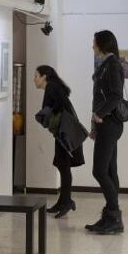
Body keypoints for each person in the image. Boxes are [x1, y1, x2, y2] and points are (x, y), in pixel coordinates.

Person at [85, 30, 125, 234]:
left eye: (94, 43)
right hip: (107, 125)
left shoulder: (112, 65)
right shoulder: (108, 64)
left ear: (102, 44)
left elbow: (116, 95)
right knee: (109, 171)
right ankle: (110, 216)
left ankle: (114, 215)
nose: (92, 46)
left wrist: (99, 114)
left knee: (99, 171)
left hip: (109, 124)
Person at [34, 65, 85, 219]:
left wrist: (45, 115)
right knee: (62, 165)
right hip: (64, 132)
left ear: (44, 77)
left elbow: (57, 108)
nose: (34, 79)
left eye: (36, 76)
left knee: (64, 165)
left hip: (65, 132)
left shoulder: (51, 87)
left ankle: (67, 201)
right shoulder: (54, 87)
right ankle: (63, 201)